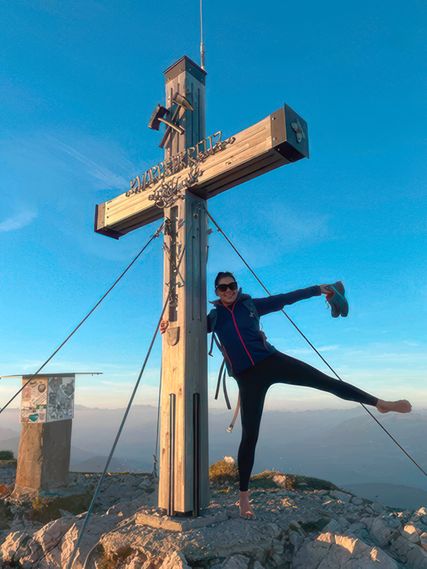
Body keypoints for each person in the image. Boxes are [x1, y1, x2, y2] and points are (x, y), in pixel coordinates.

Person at [160, 272, 412, 520]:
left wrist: (318, 289)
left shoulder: (251, 306)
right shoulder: (213, 318)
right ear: (216, 292)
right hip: (247, 378)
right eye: (223, 288)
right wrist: (167, 324)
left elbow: (286, 298)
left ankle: (380, 404)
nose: (229, 291)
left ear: (237, 286)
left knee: (323, 381)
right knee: (249, 436)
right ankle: (244, 498)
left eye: (232, 285)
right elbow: (188, 328)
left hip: (271, 361)